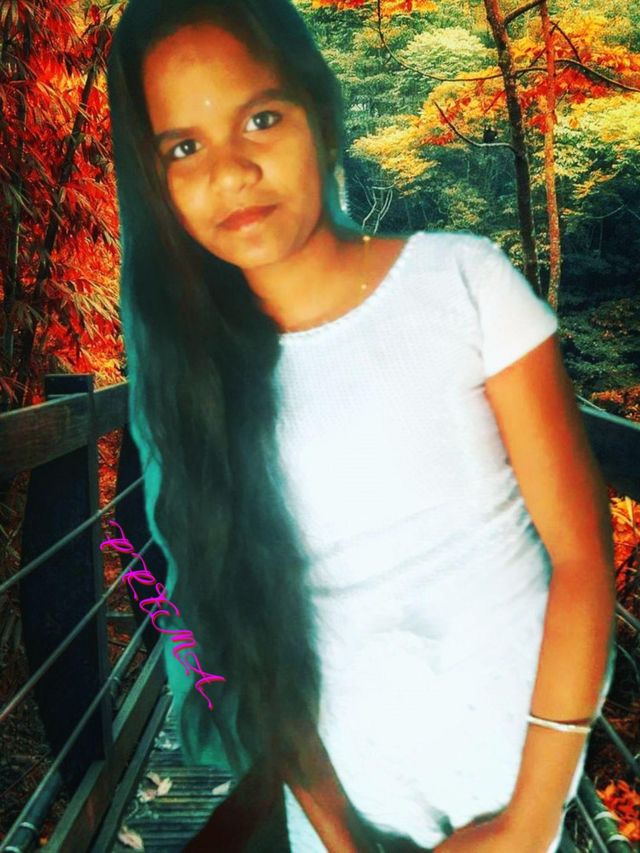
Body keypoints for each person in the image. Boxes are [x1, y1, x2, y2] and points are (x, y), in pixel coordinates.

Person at [106, 1, 618, 850]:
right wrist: (342, 838)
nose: (231, 173)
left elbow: (582, 556)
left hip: (522, 805)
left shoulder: (463, 283)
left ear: (319, 109)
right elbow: (252, 636)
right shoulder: (204, 383)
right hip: (344, 821)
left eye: (260, 119)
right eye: (184, 148)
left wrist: (531, 818)